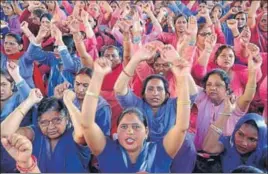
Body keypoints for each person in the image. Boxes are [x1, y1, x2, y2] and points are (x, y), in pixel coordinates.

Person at [80, 54, 191, 172]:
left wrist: (182, 78)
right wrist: (97, 75)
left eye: (136, 126)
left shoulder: (159, 151)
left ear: (146, 132)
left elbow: (181, 127)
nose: (130, 131)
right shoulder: (107, 150)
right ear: (117, 131)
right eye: (124, 126)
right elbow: (87, 124)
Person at [114, 43, 197, 172]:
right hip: (146, 157)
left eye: (159, 89)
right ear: (143, 93)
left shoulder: (174, 105)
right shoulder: (136, 106)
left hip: (178, 153)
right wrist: (136, 58)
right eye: (150, 89)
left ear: (167, 94)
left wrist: (178, 63)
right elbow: (119, 89)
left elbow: (192, 93)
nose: (155, 93)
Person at [1, 89, 91, 172]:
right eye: (44, 122)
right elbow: (5, 134)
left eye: (57, 120)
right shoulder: (36, 132)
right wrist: (29, 101)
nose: (51, 127)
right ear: (38, 122)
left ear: (67, 118)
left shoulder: (74, 133)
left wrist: (69, 102)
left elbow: (84, 132)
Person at [203, 113, 267, 172]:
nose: (244, 143)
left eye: (252, 139)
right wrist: (226, 112)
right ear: (235, 130)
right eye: (240, 134)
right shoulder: (228, 142)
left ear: (261, 140)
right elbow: (209, 148)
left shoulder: (263, 152)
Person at [0, 62, 32, 173]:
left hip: (16, 158)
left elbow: (32, 99)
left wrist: (16, 76)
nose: (0, 89)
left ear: (12, 85)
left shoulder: (19, 98)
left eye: (3, 84)